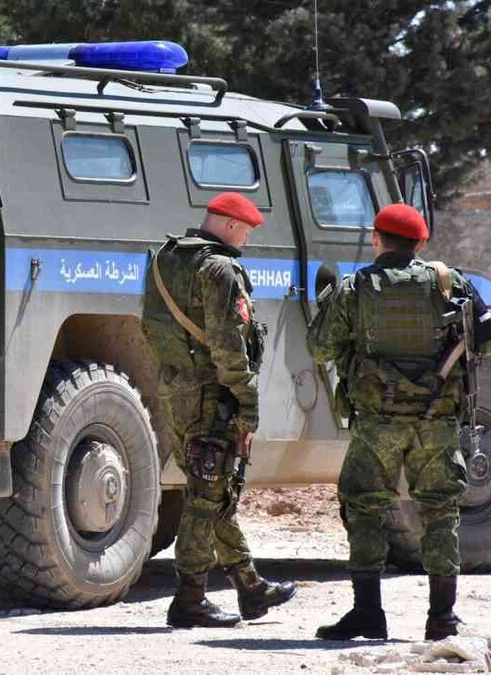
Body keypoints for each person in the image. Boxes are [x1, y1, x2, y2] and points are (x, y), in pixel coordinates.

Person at [310, 204, 491, 641]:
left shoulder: (355, 288)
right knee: (440, 510)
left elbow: (320, 349)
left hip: (378, 423)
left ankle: (368, 613)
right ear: (420, 244)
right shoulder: (451, 283)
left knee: (363, 507)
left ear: (377, 240)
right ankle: (442, 618)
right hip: (436, 420)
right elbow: (489, 343)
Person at [142, 192, 297, 628]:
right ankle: (190, 600)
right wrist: (248, 402)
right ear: (230, 224)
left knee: (211, 490)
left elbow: (150, 325)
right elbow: (230, 348)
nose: (246, 240)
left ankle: (250, 587)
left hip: (177, 389)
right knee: (205, 497)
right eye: (246, 231)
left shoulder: (165, 257)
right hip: (214, 394)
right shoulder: (220, 269)